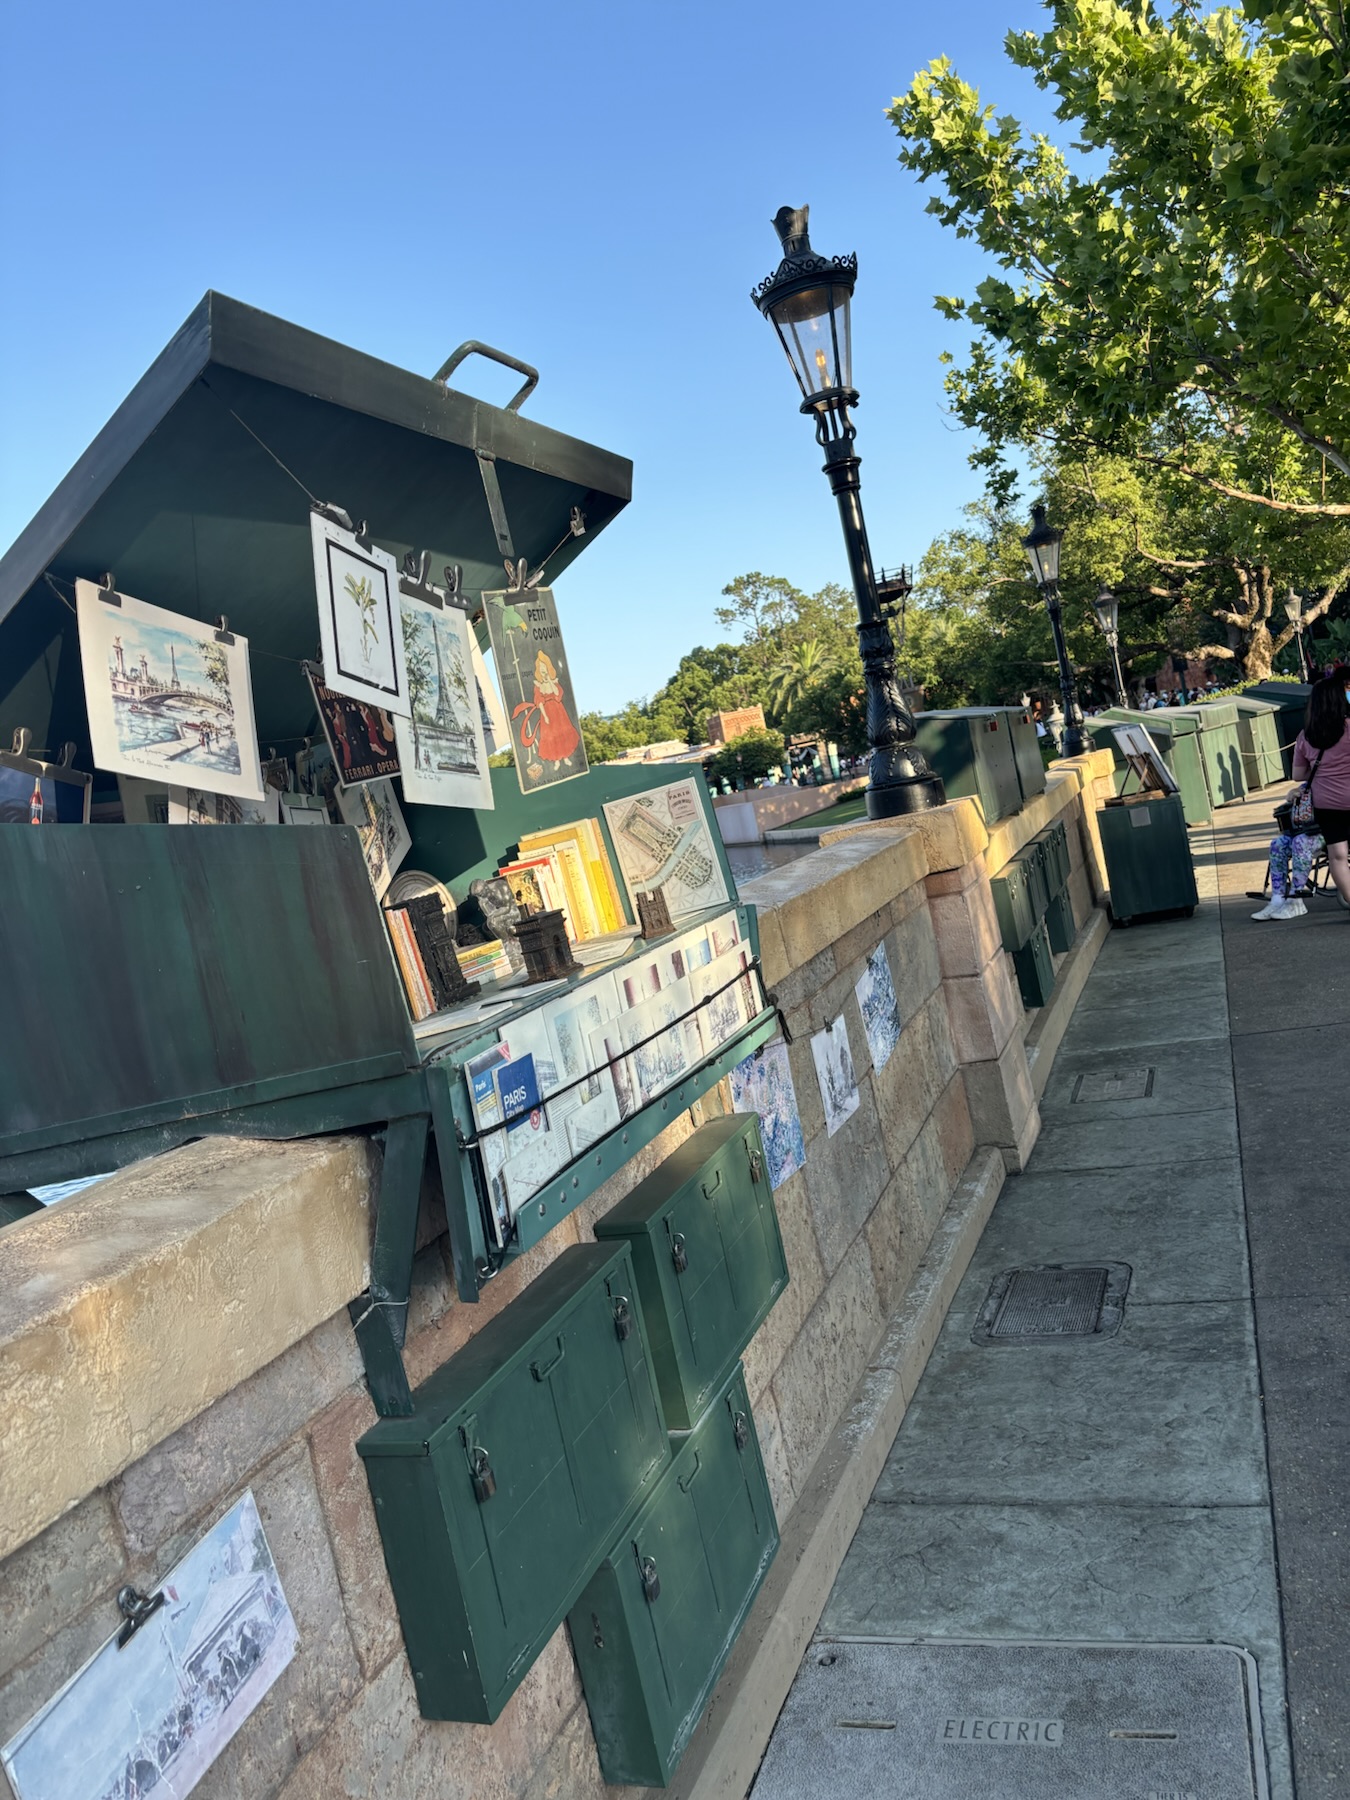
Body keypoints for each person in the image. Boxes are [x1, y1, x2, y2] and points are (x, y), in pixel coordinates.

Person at [1292, 675, 1350, 908]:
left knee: (1337, 855)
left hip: (1327, 804)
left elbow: (1298, 775)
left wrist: (1324, 770)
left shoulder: (1306, 735)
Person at [1251, 795, 1324, 920]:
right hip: (1312, 828)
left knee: (1300, 842)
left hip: (1334, 830)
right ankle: (1277, 899)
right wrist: (1296, 791)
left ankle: (1295, 900)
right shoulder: (1316, 780)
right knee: (1277, 844)